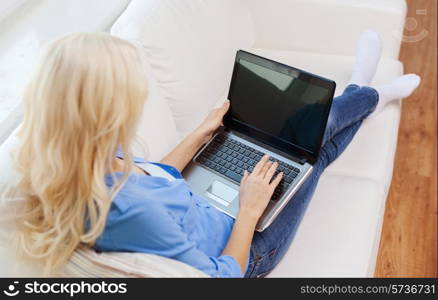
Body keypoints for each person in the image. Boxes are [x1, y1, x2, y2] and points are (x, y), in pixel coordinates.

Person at [12, 31, 420, 277]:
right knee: (312, 153)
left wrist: (202, 132)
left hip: (208, 203)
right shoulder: (130, 213)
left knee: (301, 145)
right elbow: (223, 277)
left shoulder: (78, 156)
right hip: (247, 247)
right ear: (105, 113)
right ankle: (369, 93)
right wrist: (249, 208)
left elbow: (157, 177)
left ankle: (362, 92)